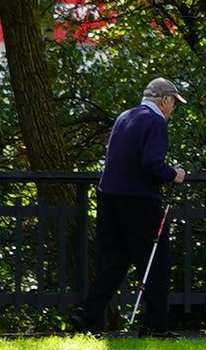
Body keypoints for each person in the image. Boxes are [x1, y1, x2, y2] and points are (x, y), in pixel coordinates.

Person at [75, 78, 186, 335]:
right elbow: (151, 164)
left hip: (108, 196)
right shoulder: (155, 121)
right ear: (165, 100)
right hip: (139, 199)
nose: (173, 110)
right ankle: (154, 326)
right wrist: (174, 174)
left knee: (114, 261)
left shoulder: (125, 117)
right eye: (174, 104)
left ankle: (85, 314)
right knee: (155, 262)